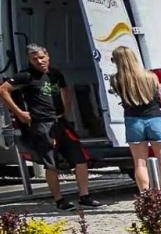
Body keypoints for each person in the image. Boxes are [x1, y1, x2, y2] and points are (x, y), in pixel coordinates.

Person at [0, 44, 101, 211]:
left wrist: (66, 108)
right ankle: (59, 199)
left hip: (60, 122)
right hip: (42, 125)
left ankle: (85, 196)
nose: (39, 61)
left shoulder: (55, 74)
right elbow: (3, 90)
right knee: (51, 164)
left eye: (41, 57)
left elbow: (65, 89)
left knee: (81, 159)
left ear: (48, 56)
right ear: (29, 60)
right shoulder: (26, 75)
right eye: (35, 59)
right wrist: (19, 113)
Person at [108, 45, 161, 194]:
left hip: (133, 121)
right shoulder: (150, 76)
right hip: (154, 118)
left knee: (139, 162)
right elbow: (159, 97)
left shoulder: (116, 80)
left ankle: (145, 195)